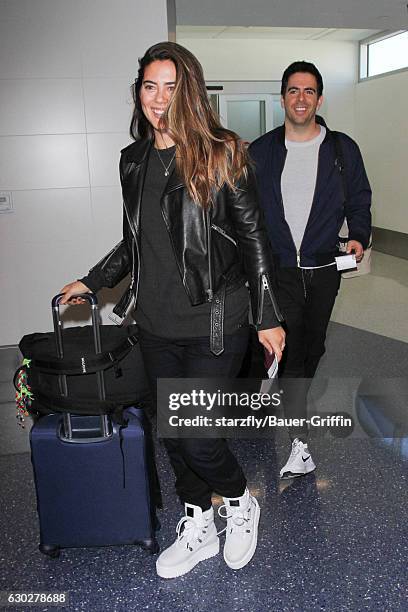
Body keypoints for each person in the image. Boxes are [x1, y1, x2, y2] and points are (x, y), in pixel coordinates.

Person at [59, 42, 285, 578]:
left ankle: (238, 501)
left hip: (214, 322)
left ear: (191, 91)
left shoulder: (223, 151)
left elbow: (254, 239)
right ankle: (197, 523)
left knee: (199, 436)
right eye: (149, 86)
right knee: (173, 434)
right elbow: (136, 242)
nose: (159, 99)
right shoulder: (132, 160)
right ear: (138, 93)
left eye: (171, 86)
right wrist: (94, 281)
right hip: (154, 323)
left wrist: (268, 315)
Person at [249, 61, 371, 479]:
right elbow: (243, 208)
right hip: (279, 267)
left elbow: (360, 198)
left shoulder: (342, 148)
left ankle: (280, 388)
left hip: (323, 268)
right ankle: (300, 440)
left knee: (313, 346)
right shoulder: (261, 151)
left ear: (319, 99)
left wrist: (359, 234)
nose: (300, 98)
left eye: (309, 91)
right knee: (293, 347)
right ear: (282, 98)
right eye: (293, 90)